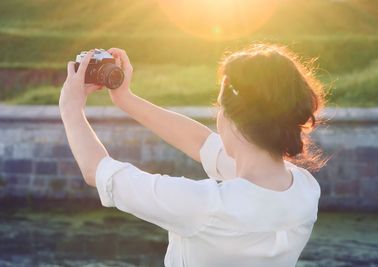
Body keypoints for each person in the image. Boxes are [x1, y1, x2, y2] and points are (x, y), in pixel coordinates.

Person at [59, 43, 325, 267]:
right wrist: (125, 98)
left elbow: (97, 171)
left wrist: (71, 108)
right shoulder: (305, 190)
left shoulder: (205, 207)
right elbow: (201, 144)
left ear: (234, 119)